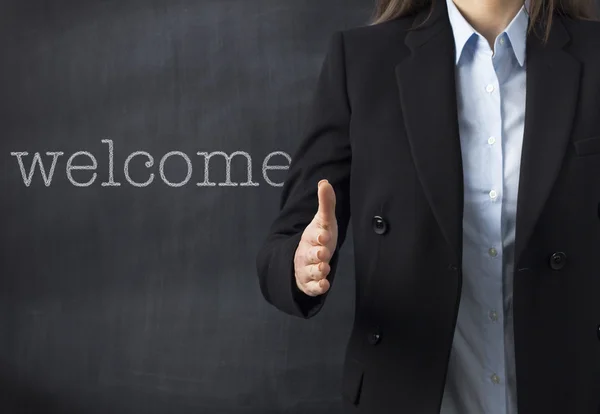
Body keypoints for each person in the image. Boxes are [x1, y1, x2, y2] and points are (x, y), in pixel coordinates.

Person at [256, 0, 600, 412]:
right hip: (409, 391)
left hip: (573, 389)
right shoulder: (364, 61)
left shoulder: (594, 56)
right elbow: (284, 242)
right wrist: (302, 261)